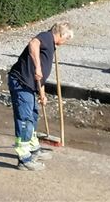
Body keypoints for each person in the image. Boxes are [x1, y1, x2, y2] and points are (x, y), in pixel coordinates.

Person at [8, 22, 74, 171]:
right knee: (24, 118)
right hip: (20, 83)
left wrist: (42, 94)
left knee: (32, 115)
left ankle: (33, 149)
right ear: (61, 34)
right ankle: (24, 158)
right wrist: (37, 67)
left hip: (30, 85)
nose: (66, 42)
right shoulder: (46, 37)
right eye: (67, 38)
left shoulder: (51, 45)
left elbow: (40, 76)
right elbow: (33, 44)